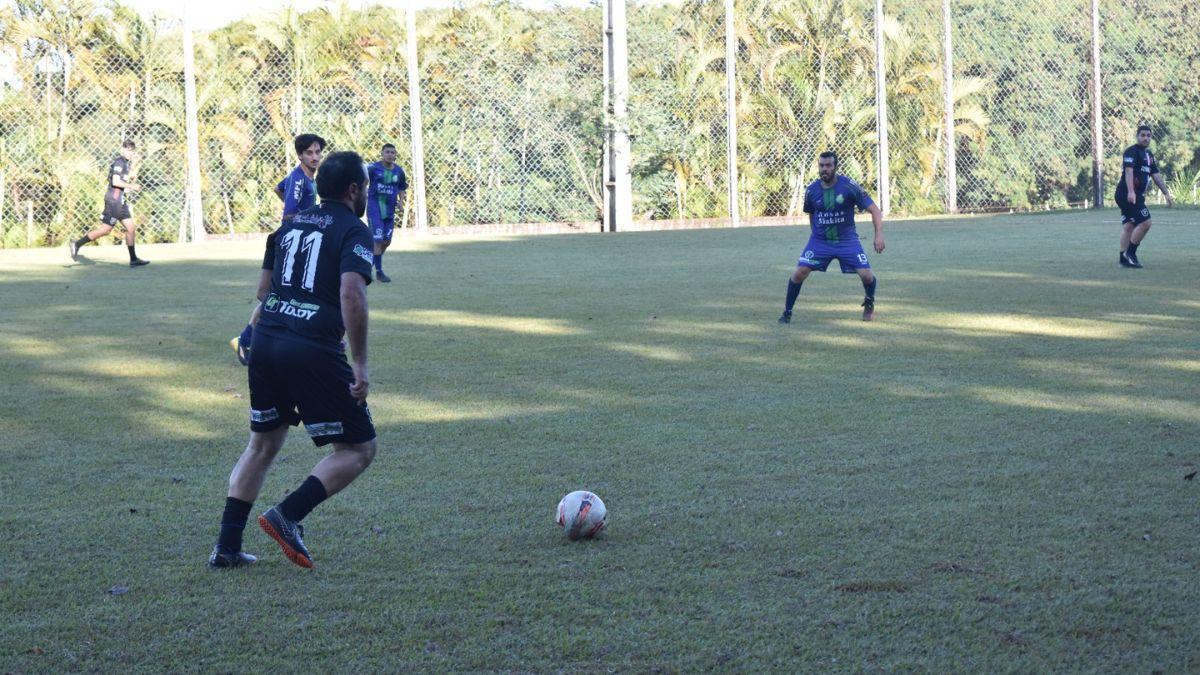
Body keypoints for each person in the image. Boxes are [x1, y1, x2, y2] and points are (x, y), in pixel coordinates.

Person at [208, 150, 377, 570]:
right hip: (312, 347)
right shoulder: (353, 230)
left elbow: (264, 292)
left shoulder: (286, 229)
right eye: (365, 189)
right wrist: (359, 362)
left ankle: (226, 547)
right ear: (353, 190)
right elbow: (351, 294)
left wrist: (255, 335)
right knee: (358, 448)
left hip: (267, 341)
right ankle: (289, 515)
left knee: (262, 444)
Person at [230, 134, 326, 366]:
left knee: (284, 294)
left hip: (297, 241)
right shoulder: (301, 180)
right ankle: (245, 339)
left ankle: (255, 339)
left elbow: (278, 188)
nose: (315, 157)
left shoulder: (303, 178)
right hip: (290, 243)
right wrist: (313, 217)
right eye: (309, 153)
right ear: (300, 155)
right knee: (278, 295)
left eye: (317, 152)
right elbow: (289, 215)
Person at [778, 151, 884, 324]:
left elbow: (875, 210)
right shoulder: (811, 190)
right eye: (821, 165)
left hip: (847, 240)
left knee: (866, 275)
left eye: (828, 165)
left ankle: (869, 302)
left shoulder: (849, 186)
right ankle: (787, 313)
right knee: (798, 273)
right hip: (820, 241)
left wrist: (878, 236)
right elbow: (812, 214)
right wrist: (816, 236)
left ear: (835, 167)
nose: (824, 169)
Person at [69, 140, 150, 267]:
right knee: (105, 230)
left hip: (120, 202)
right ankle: (77, 243)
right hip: (114, 201)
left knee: (130, 228)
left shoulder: (125, 163)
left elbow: (121, 182)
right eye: (128, 150)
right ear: (122, 149)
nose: (130, 153)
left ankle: (133, 260)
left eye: (132, 151)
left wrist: (128, 186)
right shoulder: (120, 162)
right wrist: (132, 186)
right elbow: (116, 181)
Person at [1115, 125, 1173, 268]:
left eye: (1148, 135)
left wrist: (1166, 192)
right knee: (1146, 222)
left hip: (1134, 195)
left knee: (1129, 226)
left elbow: (1156, 176)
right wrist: (1131, 191)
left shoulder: (1149, 155)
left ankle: (1123, 259)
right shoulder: (1131, 151)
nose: (1146, 138)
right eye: (1143, 135)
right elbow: (1128, 171)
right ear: (1137, 136)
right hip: (1126, 194)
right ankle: (1130, 254)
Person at [365, 143, 408, 283]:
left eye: (392, 152)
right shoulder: (373, 168)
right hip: (374, 208)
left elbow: (402, 187)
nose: (390, 154)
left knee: (386, 241)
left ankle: (367, 266)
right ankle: (379, 272)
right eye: (387, 152)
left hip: (389, 210)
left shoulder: (399, 171)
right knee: (377, 240)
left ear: (395, 155)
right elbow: (361, 176)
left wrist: (401, 202)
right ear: (382, 154)